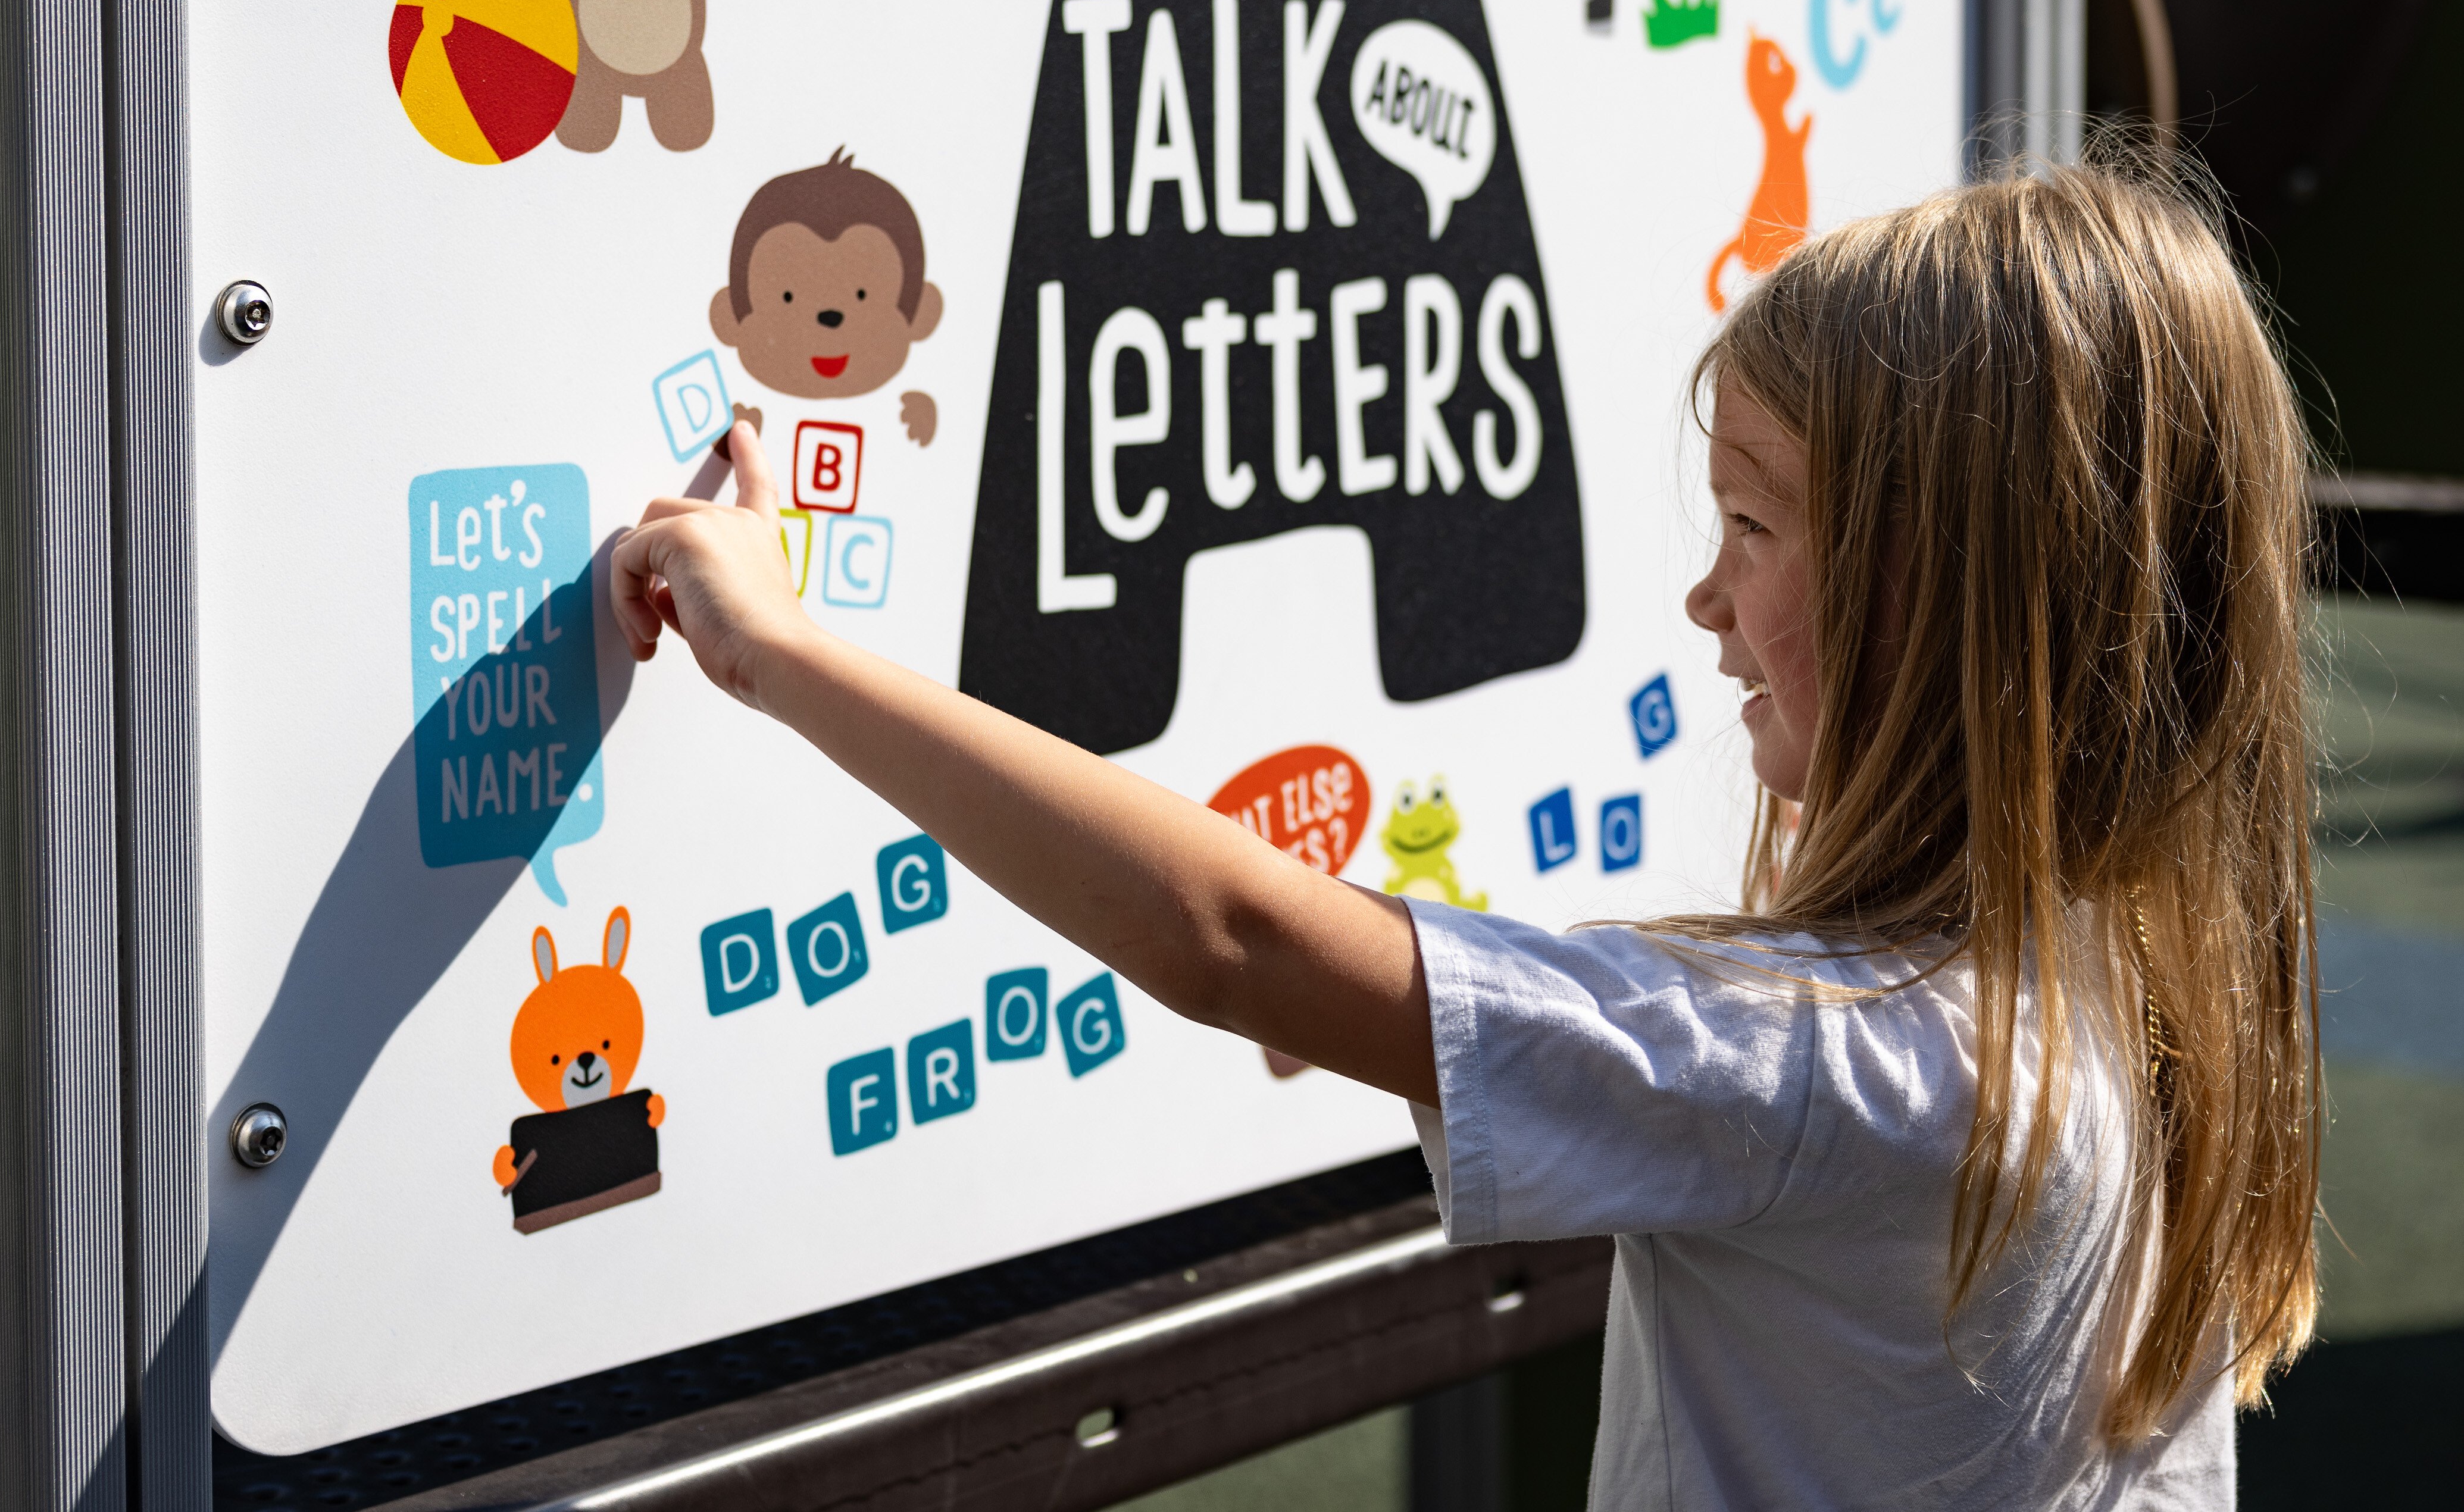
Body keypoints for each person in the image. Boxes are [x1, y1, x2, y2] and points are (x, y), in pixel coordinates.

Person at [609, 161, 2319, 1510]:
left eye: (1750, 523)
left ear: (1944, 596)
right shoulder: (2153, 981)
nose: (1704, 594)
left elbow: (1233, 938)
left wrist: (785, 647)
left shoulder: (1841, 1064)